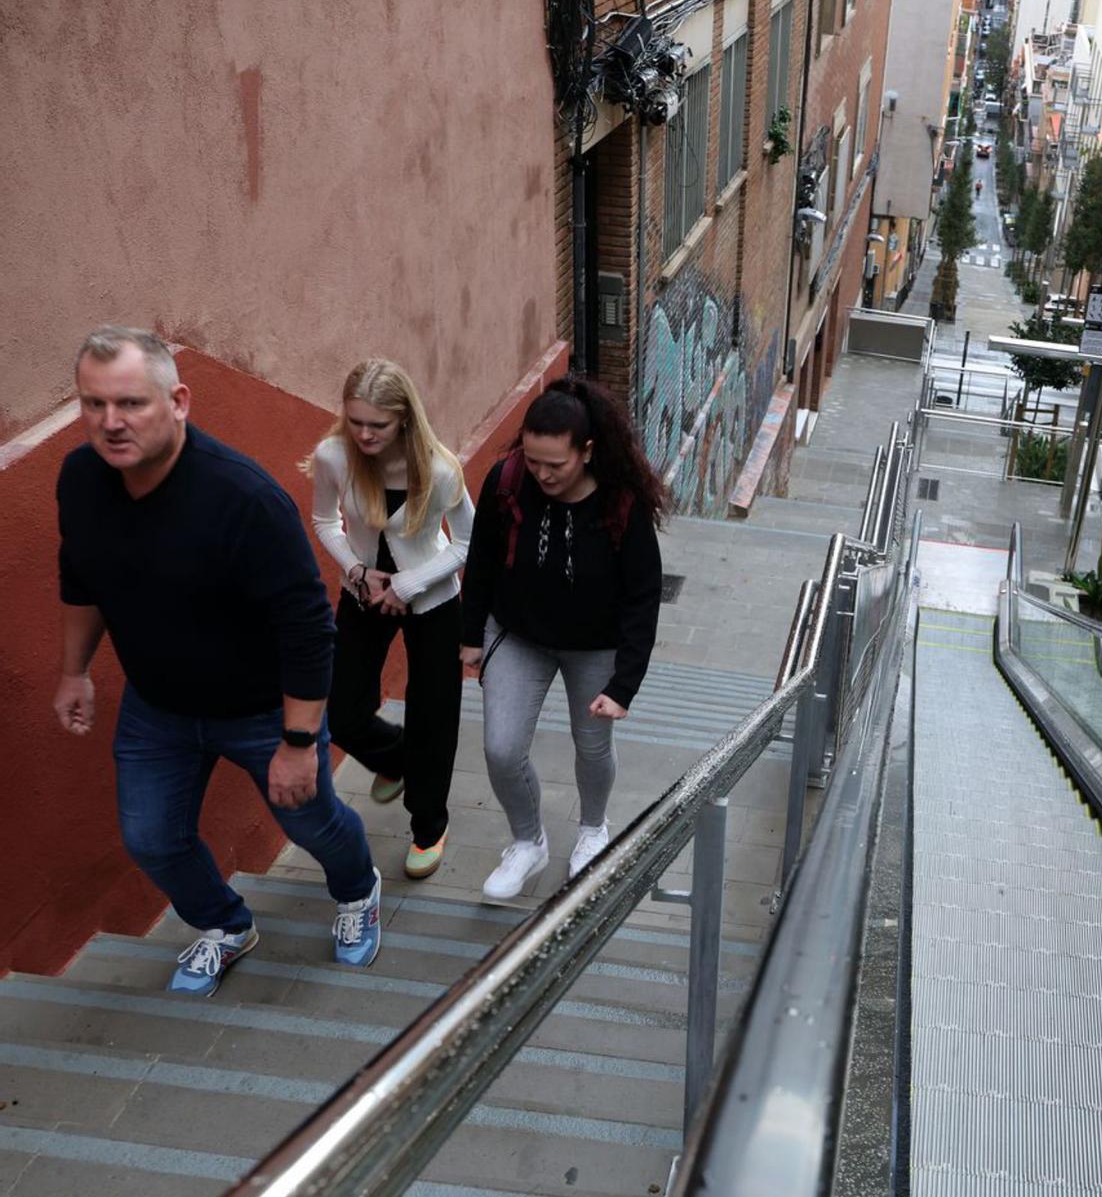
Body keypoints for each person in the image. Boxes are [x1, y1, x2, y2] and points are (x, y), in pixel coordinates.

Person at [54, 326, 382, 997]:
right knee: (151, 837)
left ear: (178, 401)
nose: (111, 422)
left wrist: (297, 744)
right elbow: (82, 578)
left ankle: (358, 889)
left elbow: (308, 628)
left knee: (311, 820)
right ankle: (225, 924)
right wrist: (73, 670)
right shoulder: (81, 479)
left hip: (262, 710)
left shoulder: (244, 498)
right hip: (158, 708)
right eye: (94, 403)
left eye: (130, 403)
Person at [460, 375, 665, 902]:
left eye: (556, 464)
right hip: (517, 635)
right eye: (533, 461)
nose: (543, 474)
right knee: (501, 749)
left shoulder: (620, 502)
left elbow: (644, 595)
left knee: (592, 747)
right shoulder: (507, 481)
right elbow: (481, 559)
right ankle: (528, 842)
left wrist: (624, 685)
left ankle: (593, 829)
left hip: (596, 646)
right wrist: (470, 634)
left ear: (587, 451)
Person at [307, 359, 473, 879]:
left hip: (433, 599)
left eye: (376, 424)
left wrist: (408, 583)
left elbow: (468, 541)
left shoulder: (439, 468)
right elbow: (325, 520)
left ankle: (429, 826)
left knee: (434, 716)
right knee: (341, 711)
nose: (364, 434)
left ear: (403, 418)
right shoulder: (334, 456)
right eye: (355, 421)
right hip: (362, 592)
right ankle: (399, 760)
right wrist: (357, 571)